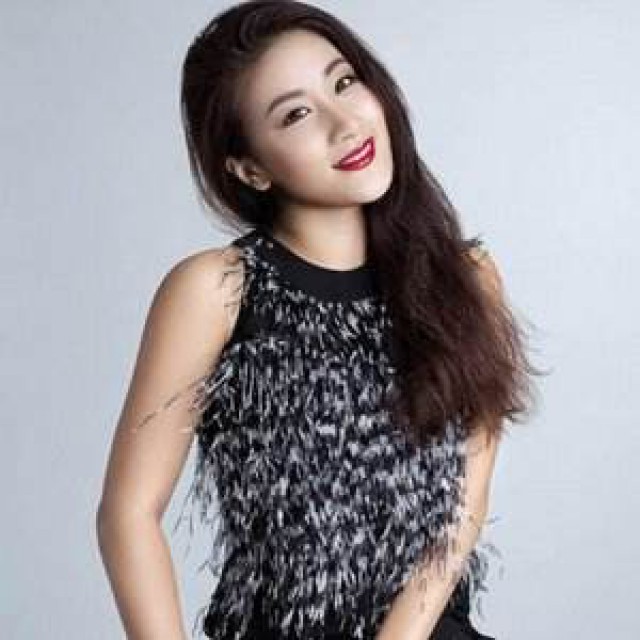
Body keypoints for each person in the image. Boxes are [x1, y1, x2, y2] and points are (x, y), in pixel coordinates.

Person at [96, 2, 541, 639]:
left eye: (344, 82)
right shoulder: (218, 290)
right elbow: (129, 513)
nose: (344, 123)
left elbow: (463, 505)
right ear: (249, 167)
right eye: (296, 114)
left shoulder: (465, 277)